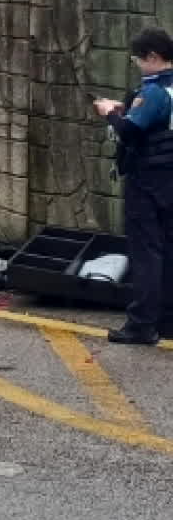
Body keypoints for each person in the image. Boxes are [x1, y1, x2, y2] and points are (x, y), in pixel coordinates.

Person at [92, 27, 173, 345]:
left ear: (153, 57)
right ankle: (167, 320)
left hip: (149, 181)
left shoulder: (154, 91)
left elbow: (130, 133)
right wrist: (126, 110)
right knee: (168, 250)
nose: (138, 65)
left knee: (146, 252)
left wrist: (110, 113)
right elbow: (158, 123)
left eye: (139, 59)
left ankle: (141, 325)